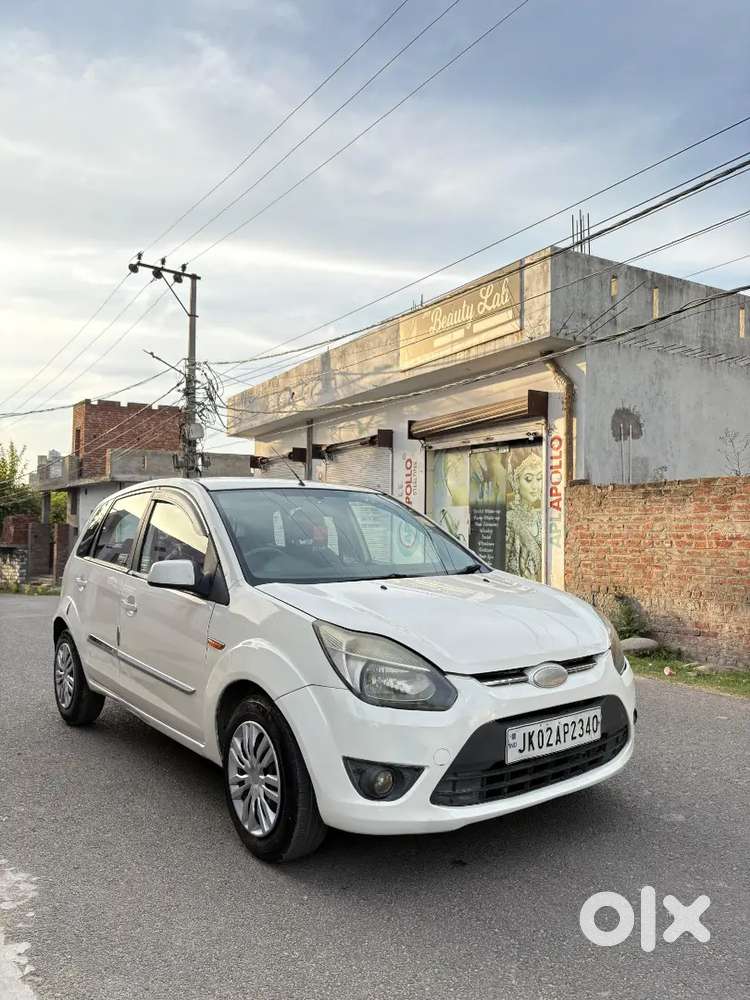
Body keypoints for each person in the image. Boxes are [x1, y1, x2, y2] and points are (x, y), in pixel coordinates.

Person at [505, 449, 543, 580]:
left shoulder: (541, 518)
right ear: (516, 482)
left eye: (539, 478)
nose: (535, 486)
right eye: (528, 479)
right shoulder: (510, 520)